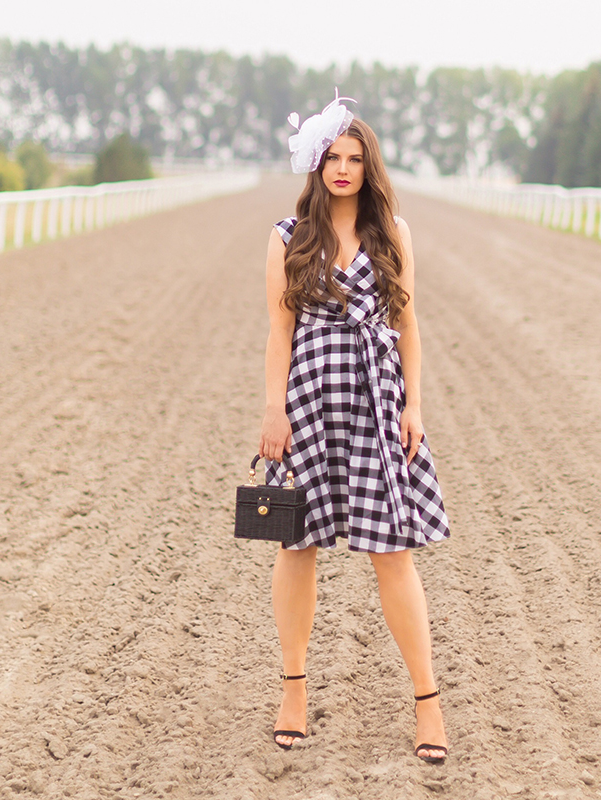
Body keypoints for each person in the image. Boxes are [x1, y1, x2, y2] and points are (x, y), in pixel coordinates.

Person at [259, 90, 450, 763]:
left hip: (377, 402)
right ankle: (293, 690)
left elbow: (409, 325)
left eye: (355, 158)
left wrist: (414, 405)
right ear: (316, 164)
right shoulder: (289, 237)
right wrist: (272, 410)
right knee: (295, 546)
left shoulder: (392, 233)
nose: (344, 169)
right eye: (333, 157)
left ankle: (428, 702)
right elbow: (280, 330)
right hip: (310, 401)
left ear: (370, 167)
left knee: (392, 553)